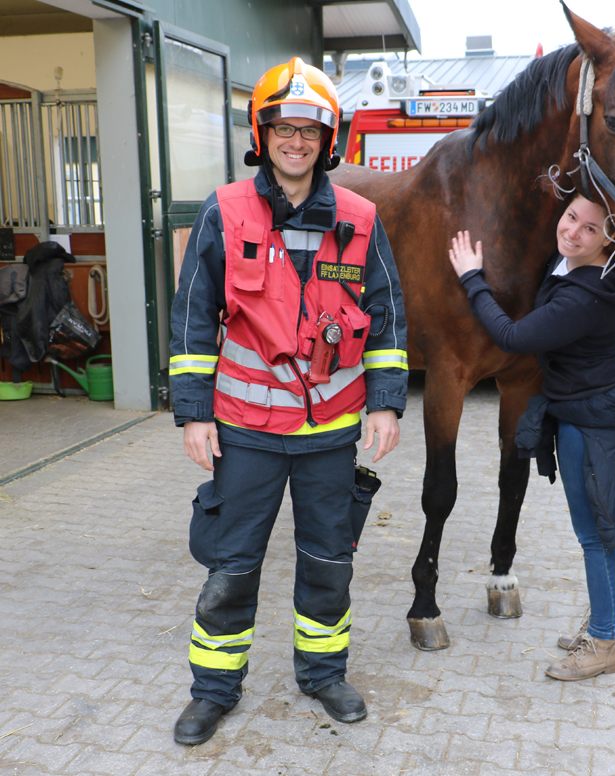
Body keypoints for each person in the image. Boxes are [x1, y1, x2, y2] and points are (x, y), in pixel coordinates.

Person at [169, 56, 409, 745]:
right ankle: (214, 690)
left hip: (330, 433)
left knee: (329, 564)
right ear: (263, 133)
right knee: (231, 567)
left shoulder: (361, 221)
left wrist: (386, 403)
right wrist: (194, 412)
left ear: (327, 139)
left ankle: (323, 674)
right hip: (244, 431)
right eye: (284, 128)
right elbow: (192, 317)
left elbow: (388, 314)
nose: (296, 141)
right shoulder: (226, 210)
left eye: (310, 129)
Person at [448, 193, 615, 682]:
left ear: (611, 240)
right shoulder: (598, 274)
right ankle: (613, 619)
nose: (573, 232)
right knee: (606, 529)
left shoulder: (583, 296)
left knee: (594, 536)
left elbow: (513, 338)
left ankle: (600, 643)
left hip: (590, 425)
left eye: (590, 229)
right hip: (601, 413)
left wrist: (473, 278)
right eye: (571, 217)